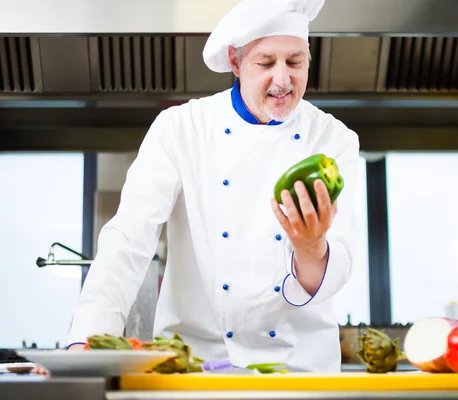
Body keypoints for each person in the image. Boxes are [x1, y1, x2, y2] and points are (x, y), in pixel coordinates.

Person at [36, 0, 360, 374]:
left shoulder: (333, 139)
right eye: (266, 63)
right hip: (194, 367)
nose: (283, 80)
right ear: (236, 63)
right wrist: (88, 338)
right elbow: (129, 239)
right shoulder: (181, 128)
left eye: (296, 61)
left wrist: (310, 249)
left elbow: (337, 267)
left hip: (300, 370)